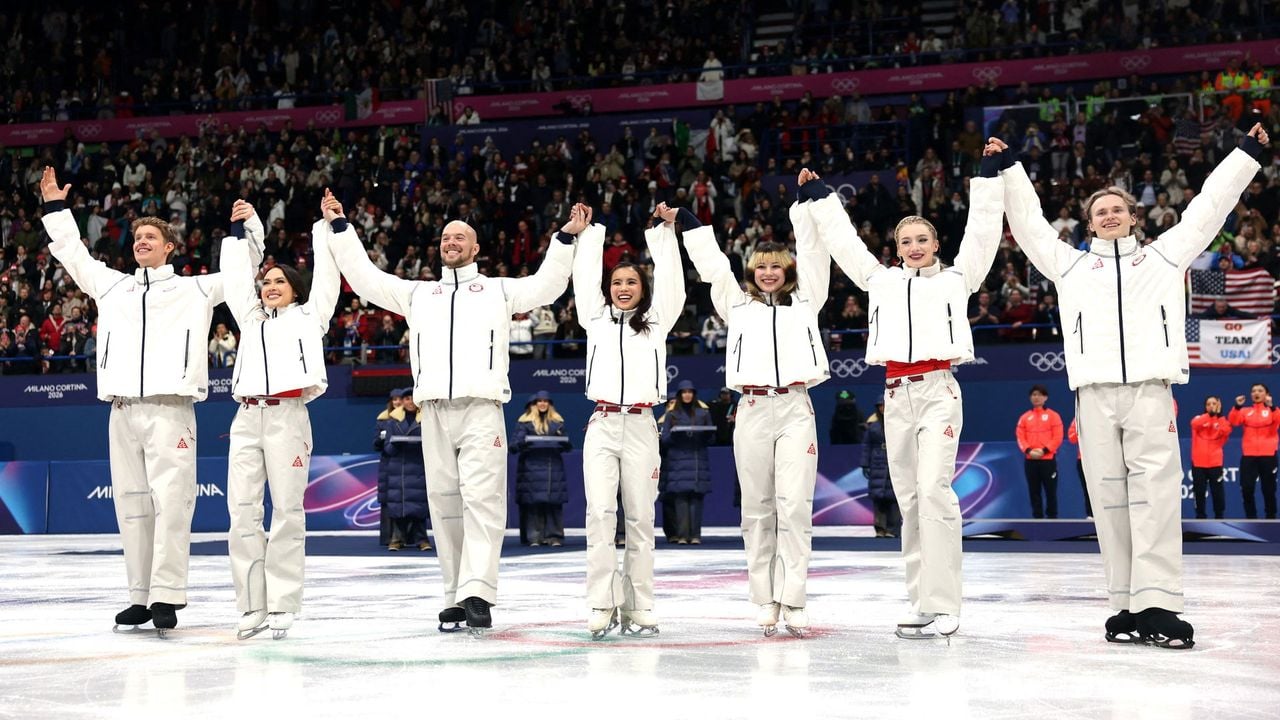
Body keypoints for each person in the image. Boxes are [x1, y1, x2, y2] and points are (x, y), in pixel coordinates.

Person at [999, 123, 1270, 650]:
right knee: (1109, 501)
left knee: (1156, 498)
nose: (1109, 216)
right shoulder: (1070, 265)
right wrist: (1009, 168)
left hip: (1149, 389)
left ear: (1132, 217)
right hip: (1094, 394)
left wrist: (1245, 154)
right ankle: (1123, 604)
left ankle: (1160, 604)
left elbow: (1208, 208)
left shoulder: (1165, 255)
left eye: (1117, 209)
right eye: (1100, 211)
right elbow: (1029, 226)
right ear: (1089, 222)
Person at [326, 194, 577, 635]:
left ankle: (478, 591)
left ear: (476, 248)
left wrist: (563, 239)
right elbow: (365, 279)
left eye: (460, 237)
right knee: (444, 504)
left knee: (482, 501)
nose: (451, 242)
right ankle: (454, 595)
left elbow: (548, 285)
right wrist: (342, 228)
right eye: (446, 237)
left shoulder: (499, 289)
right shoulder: (419, 293)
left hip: (482, 408)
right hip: (434, 411)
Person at [38, 167, 260, 634]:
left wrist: (245, 230)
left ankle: (167, 595)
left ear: (169, 247)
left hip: (170, 408)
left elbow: (242, 275)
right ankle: (140, 596)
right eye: (137, 236)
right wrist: (57, 209)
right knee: (133, 505)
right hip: (121, 410)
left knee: (173, 503)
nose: (141, 242)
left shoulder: (194, 288)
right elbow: (74, 255)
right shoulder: (112, 285)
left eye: (150, 237)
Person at [804, 141, 1006, 642]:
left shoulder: (958, 278)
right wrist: (820, 196)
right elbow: (845, 242)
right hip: (895, 393)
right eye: (906, 241)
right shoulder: (880, 281)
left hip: (939, 388)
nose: (914, 247)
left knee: (936, 491)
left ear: (935, 244)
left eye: (922, 239)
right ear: (896, 248)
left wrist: (986, 174)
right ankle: (922, 601)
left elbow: (982, 233)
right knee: (911, 499)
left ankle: (947, 602)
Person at [685, 178, 831, 639]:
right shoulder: (737, 305)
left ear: (787, 270)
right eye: (761, 266)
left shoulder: (808, 300)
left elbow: (814, 254)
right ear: (752, 271)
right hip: (750, 408)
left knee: (794, 506)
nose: (768, 272)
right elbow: (713, 268)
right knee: (757, 508)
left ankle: (795, 598)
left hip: (794, 407)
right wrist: (688, 224)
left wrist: (806, 205)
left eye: (776, 266)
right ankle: (765, 598)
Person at [221, 192, 340, 640]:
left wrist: (325, 228)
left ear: (294, 288)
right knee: (242, 512)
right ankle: (252, 604)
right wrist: (239, 233)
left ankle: (283, 603)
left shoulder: (311, 317)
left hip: (288, 416)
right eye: (266, 281)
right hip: (247, 416)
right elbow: (235, 278)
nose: (269, 286)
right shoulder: (250, 319)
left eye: (279, 281)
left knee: (288, 510)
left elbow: (328, 275)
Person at [573, 202, 684, 639]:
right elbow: (583, 279)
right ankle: (602, 602)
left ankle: (639, 605)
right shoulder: (594, 319)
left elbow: (673, 281)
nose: (623, 288)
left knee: (639, 519)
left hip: (641, 425)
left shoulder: (657, 322)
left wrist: (663, 234)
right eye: (617, 282)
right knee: (599, 514)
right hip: (601, 424)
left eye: (631, 282)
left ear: (643, 289)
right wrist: (590, 233)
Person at [511, 391, 570, 547]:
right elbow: (514, 446)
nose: (543, 404)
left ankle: (554, 537)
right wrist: (524, 443)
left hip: (553, 470)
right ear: (533, 404)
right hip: (531, 470)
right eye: (539, 401)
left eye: (546, 401)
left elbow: (567, 445)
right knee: (533, 505)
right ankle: (534, 537)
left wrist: (562, 442)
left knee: (554, 504)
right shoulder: (524, 423)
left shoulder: (557, 423)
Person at [659, 380, 715, 545]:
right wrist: (675, 436)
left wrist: (706, 436)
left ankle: (695, 535)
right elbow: (665, 439)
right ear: (679, 395)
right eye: (684, 392)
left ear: (694, 394)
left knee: (696, 501)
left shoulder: (703, 413)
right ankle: (682, 535)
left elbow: (712, 439)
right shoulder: (671, 414)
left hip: (698, 463)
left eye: (690, 391)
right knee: (681, 501)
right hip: (677, 464)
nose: (687, 394)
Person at [376, 387, 431, 551]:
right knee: (398, 506)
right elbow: (386, 448)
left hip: (418, 468)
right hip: (397, 469)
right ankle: (396, 539)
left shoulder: (427, 419)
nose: (410, 402)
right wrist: (394, 444)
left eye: (412, 398)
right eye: (407, 399)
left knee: (419, 507)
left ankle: (422, 539)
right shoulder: (392, 422)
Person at [1229, 384, 1280, 519]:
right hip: (1249, 456)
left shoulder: (1273, 411)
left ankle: (1271, 517)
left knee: (1268, 489)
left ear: (1267, 394)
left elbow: (1277, 422)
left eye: (1260, 390)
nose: (1256, 393)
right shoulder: (1245, 411)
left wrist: (1272, 407)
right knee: (1247, 488)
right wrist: (1237, 406)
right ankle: (1251, 518)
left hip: (1268, 455)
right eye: (1253, 391)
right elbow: (1233, 421)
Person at [1015, 384, 1065, 519]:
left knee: (1050, 491)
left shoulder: (1053, 416)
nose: (1036, 397)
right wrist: (1029, 451)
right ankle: (1037, 519)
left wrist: (1044, 451)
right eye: (1034, 395)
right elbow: (1020, 437)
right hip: (1030, 460)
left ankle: (1052, 519)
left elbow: (1058, 437)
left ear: (1045, 397)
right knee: (1034, 491)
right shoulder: (1025, 417)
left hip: (1048, 461)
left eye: (1039, 395)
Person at [862, 394, 901, 538]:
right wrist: (865, 464)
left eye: (884, 405)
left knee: (894, 497)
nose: (883, 408)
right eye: (880, 406)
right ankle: (880, 528)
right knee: (878, 497)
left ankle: (892, 529)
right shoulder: (873, 426)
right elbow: (866, 446)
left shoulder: (899, 423)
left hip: (894, 461)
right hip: (877, 462)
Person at [1189, 396, 1233, 520]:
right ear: (1205, 406)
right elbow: (1194, 424)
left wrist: (1218, 416)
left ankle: (1219, 517)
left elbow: (1226, 430)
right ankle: (1200, 516)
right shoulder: (1199, 419)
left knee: (1217, 492)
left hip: (1215, 463)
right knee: (1199, 492)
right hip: (1198, 463)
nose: (1211, 406)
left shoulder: (1222, 421)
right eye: (1209, 404)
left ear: (1219, 405)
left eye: (1214, 403)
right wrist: (1210, 415)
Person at [1066, 418, 1092, 517]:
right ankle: (1090, 514)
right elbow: (1072, 437)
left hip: (1101, 459)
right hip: (1083, 459)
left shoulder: (1102, 416)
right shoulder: (1078, 419)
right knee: (1087, 488)